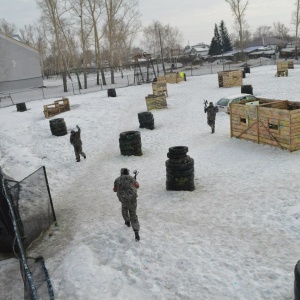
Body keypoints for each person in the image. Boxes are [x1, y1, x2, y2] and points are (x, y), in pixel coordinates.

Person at [113, 168, 140, 241]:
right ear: (128, 172)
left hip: (124, 199)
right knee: (133, 214)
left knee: (124, 210)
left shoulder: (117, 180)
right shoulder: (131, 178)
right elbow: (137, 186)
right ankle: (136, 232)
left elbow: (115, 189)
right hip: (132, 199)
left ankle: (127, 221)